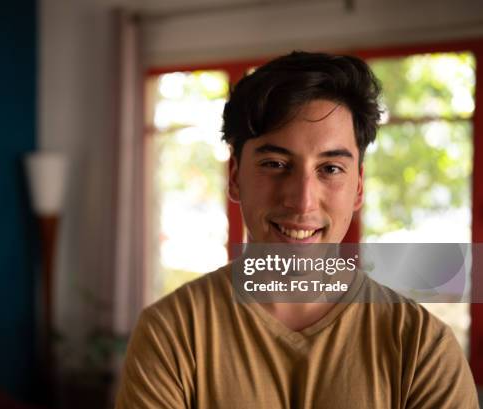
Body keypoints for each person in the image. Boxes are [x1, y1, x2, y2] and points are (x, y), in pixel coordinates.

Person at [114, 51, 478, 408]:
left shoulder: (420, 348)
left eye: (330, 168)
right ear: (236, 177)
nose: (302, 201)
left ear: (359, 187)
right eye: (275, 163)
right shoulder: (174, 333)